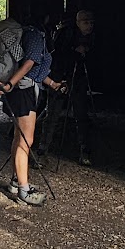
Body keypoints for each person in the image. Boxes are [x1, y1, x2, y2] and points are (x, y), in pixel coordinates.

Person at [0, 15, 52, 206]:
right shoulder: (35, 35)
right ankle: (24, 191)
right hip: (23, 90)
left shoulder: (26, 33)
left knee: (19, 137)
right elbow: (29, 65)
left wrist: (53, 83)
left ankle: (16, 181)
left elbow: (35, 70)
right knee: (27, 140)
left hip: (19, 89)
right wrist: (10, 84)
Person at [44, 9, 95, 165]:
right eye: (86, 22)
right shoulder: (64, 34)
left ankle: (84, 151)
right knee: (52, 113)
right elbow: (57, 55)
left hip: (78, 79)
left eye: (91, 23)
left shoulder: (91, 37)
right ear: (78, 22)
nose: (90, 26)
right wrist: (74, 51)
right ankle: (42, 150)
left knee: (81, 114)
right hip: (60, 77)